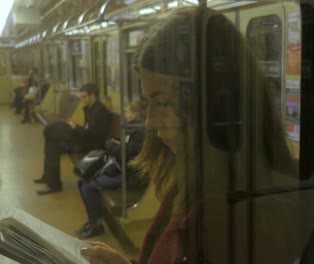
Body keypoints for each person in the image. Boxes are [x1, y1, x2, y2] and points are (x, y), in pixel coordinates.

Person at [81, 7, 295, 263]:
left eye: (162, 102)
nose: (149, 122)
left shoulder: (242, 216)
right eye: (147, 101)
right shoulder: (195, 178)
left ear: (214, 104)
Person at [76, 100, 147, 239]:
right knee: (82, 182)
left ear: (136, 114)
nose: (125, 114)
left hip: (132, 176)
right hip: (124, 169)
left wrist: (110, 144)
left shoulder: (140, 132)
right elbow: (124, 151)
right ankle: (92, 221)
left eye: (128, 112)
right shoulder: (132, 128)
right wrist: (116, 147)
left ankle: (97, 225)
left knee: (88, 186)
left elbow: (126, 154)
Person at [34, 83, 112, 195]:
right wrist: (75, 127)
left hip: (90, 144)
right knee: (51, 138)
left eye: (84, 96)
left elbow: (95, 134)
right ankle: (49, 178)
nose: (82, 99)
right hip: (84, 138)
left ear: (92, 95)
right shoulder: (91, 108)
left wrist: (76, 128)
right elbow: (87, 128)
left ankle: (54, 184)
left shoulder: (101, 111)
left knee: (52, 141)